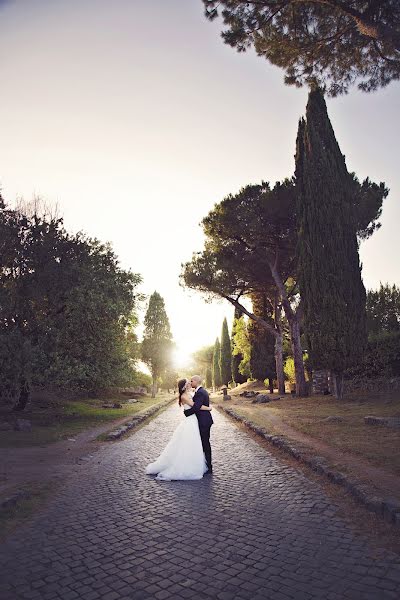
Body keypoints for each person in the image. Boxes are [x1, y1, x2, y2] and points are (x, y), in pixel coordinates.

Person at [145, 378, 212, 481]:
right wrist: (208, 408)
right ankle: (185, 464)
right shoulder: (184, 396)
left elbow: (195, 404)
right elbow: (195, 406)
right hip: (190, 421)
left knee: (194, 443)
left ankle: (193, 462)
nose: (189, 383)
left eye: (190, 382)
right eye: (188, 383)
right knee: (188, 443)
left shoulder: (190, 393)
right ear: (184, 386)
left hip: (193, 420)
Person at [183, 375, 213, 474]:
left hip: (204, 421)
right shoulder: (200, 391)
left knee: (205, 443)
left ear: (196, 381)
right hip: (203, 420)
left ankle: (209, 466)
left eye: (192, 381)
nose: (191, 383)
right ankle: (204, 464)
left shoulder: (200, 392)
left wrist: (187, 413)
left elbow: (196, 407)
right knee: (202, 442)